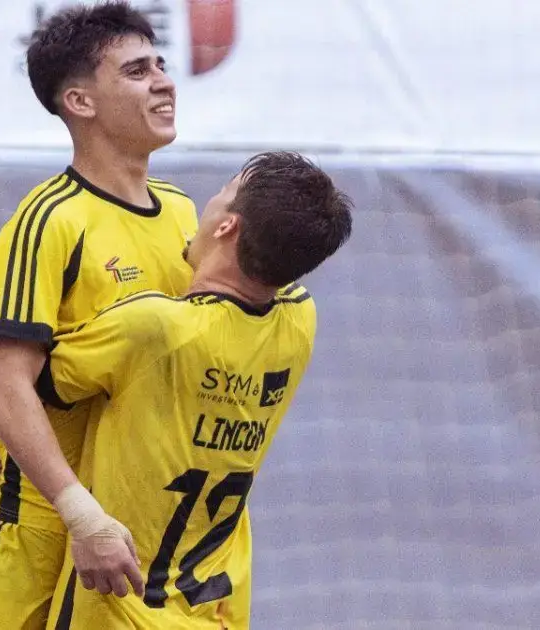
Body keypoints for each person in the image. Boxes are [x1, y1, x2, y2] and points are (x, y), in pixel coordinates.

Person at [0, 2, 197, 628]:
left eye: (160, 64)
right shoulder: (48, 220)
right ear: (80, 102)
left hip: (141, 523)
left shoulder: (186, 215)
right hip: (38, 522)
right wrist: (79, 513)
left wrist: (34, 396)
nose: (164, 81)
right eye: (137, 72)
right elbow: (2, 384)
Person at [37, 151, 353, 628]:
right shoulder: (300, 319)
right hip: (217, 613)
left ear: (228, 227)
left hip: (120, 610)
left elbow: (19, 386)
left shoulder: (153, 327)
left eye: (222, 194)